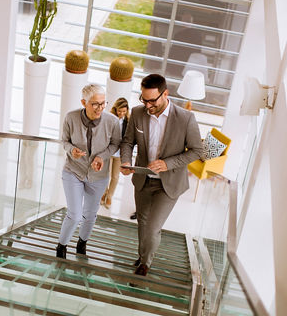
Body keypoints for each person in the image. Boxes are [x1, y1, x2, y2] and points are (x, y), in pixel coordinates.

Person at [120, 74, 203, 276]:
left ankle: (145, 264)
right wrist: (126, 161)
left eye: (152, 100)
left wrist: (167, 164)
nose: (148, 105)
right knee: (142, 222)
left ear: (165, 94)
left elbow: (196, 151)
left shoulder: (186, 118)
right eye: (144, 100)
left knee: (152, 227)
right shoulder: (138, 113)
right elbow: (128, 142)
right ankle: (142, 256)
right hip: (143, 179)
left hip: (169, 184)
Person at [56, 84, 121, 259]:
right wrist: (71, 150)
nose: (100, 108)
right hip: (73, 172)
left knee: (90, 215)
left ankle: (82, 243)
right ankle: (61, 246)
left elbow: (115, 144)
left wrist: (102, 157)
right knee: (75, 214)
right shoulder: (71, 117)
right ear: (84, 102)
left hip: (98, 176)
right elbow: (64, 141)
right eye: (95, 104)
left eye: (103, 103)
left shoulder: (112, 122)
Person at [101, 97, 130, 208]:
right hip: (108, 151)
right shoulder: (109, 118)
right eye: (119, 111)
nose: (122, 113)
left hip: (119, 154)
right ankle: (104, 193)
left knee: (115, 176)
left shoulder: (128, 122)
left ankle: (110, 196)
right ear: (115, 109)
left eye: (124, 111)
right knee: (105, 175)